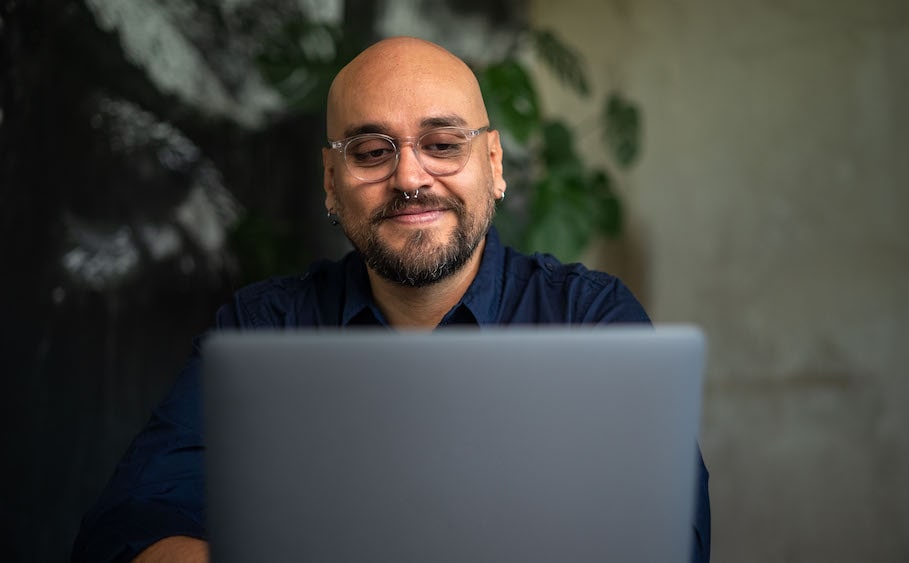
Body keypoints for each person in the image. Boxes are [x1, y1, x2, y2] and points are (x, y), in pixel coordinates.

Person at [72, 36, 711, 562]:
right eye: (373, 152)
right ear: (331, 182)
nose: (409, 177)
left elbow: (667, 540)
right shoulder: (264, 329)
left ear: (494, 163)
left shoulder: (589, 322)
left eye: (442, 144)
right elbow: (126, 533)